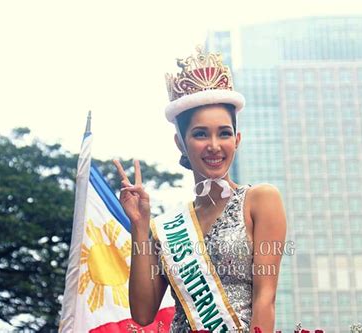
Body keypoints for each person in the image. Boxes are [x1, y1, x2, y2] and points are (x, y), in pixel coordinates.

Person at [114, 47, 287, 333]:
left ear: (237, 139)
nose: (214, 146)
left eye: (224, 133)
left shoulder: (261, 200)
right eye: (200, 134)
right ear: (180, 143)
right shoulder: (167, 227)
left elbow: (265, 297)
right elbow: (143, 314)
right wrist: (140, 225)